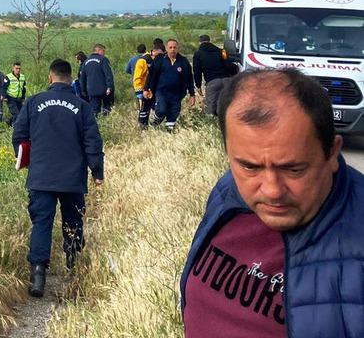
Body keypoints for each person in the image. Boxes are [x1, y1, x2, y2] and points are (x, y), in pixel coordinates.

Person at [180, 68, 364, 338]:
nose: (272, 190)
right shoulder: (227, 192)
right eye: (249, 167)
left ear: (333, 152)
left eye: (294, 169)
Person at [12, 59, 104, 298]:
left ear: (50, 78)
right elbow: (92, 141)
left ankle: (38, 275)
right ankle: (74, 270)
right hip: (72, 177)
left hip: (41, 176)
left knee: (41, 223)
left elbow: (19, 135)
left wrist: (24, 160)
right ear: (70, 79)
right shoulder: (82, 106)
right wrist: (97, 172)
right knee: (73, 222)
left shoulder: (33, 102)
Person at [145, 39, 195, 131]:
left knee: (173, 114)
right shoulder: (160, 60)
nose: (172, 49)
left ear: (178, 49)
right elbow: (152, 75)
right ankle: (155, 121)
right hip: (162, 92)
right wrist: (146, 89)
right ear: (166, 49)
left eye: (175, 47)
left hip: (177, 94)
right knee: (162, 110)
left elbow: (189, 78)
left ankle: (169, 132)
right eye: (170, 47)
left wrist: (192, 94)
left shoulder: (183, 61)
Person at [193, 34, 236, 116]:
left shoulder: (198, 54)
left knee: (211, 110)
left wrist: (198, 85)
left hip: (212, 83)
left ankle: (213, 126)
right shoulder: (222, 51)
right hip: (226, 81)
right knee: (227, 107)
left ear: (200, 43)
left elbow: (197, 71)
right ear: (210, 41)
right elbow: (229, 65)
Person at [79, 44, 114, 116]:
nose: (104, 53)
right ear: (99, 50)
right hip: (104, 90)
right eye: (103, 51)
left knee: (95, 111)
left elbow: (82, 78)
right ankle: (106, 122)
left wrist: (83, 91)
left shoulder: (86, 62)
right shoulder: (103, 60)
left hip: (91, 90)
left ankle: (97, 124)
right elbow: (108, 74)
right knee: (106, 108)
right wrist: (110, 87)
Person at [133, 44, 163, 129]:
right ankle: (142, 126)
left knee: (154, 109)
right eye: (159, 53)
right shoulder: (143, 60)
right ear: (153, 51)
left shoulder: (156, 60)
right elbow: (137, 77)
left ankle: (153, 126)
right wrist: (139, 90)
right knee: (144, 110)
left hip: (153, 89)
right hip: (143, 89)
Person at [3, 62, 27, 126]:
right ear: (13, 68)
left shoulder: (22, 77)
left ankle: (9, 121)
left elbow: (24, 88)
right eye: (16, 68)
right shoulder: (8, 77)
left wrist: (23, 97)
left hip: (19, 98)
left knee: (21, 113)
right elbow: (3, 88)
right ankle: (15, 127)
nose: (18, 70)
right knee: (16, 114)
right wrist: (4, 97)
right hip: (10, 98)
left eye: (19, 68)